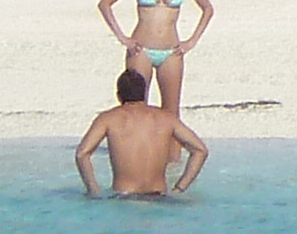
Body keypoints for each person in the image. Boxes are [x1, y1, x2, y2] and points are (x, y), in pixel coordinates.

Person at [96, 0, 216, 119]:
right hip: (141, 50)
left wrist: (191, 41)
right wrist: (123, 38)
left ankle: (171, 150)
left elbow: (207, 9)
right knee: (135, 110)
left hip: (171, 52)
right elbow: (105, 4)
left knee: (171, 113)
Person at [75, 65, 207, 200]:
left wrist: (93, 190)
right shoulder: (166, 118)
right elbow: (200, 150)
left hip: (123, 198)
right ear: (144, 93)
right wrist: (180, 188)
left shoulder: (108, 118)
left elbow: (82, 154)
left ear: (119, 95)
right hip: (159, 197)